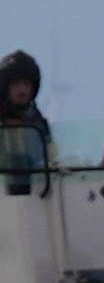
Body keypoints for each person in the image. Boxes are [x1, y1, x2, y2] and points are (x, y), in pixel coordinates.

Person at [0, 50, 52, 193]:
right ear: (5, 87)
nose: (22, 90)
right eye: (16, 84)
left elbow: (49, 154)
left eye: (26, 84)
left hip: (39, 190)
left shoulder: (39, 120)